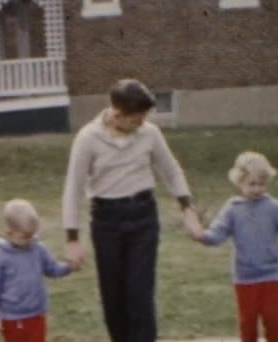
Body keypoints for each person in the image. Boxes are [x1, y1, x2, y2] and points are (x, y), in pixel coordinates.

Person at [61, 78, 202, 341]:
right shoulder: (88, 138)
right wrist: (72, 239)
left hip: (143, 218)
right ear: (117, 113)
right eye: (135, 119)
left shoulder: (149, 133)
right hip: (106, 221)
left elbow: (171, 171)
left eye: (143, 118)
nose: (141, 124)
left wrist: (188, 210)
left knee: (140, 295)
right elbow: (73, 189)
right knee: (114, 300)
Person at [188, 151, 278, 342]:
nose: (257, 189)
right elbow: (217, 234)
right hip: (244, 278)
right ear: (239, 182)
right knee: (247, 323)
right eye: (252, 184)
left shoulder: (273, 207)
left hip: (270, 275)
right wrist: (202, 236)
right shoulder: (232, 209)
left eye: (262, 184)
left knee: (273, 321)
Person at [0, 198, 76, 342]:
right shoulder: (0, 256)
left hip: (36, 314)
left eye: (32, 235)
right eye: (25, 236)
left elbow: (52, 269)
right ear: (9, 232)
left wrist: (68, 267)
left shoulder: (38, 248)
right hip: (12, 318)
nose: (30, 240)